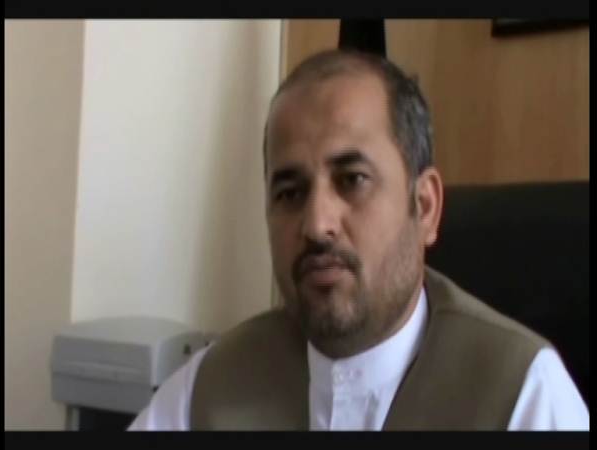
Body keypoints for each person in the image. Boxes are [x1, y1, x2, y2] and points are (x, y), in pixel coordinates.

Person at [128, 49, 589, 431]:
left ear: (425, 206)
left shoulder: (523, 393)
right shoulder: (210, 386)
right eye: (290, 192)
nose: (317, 224)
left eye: (352, 180)